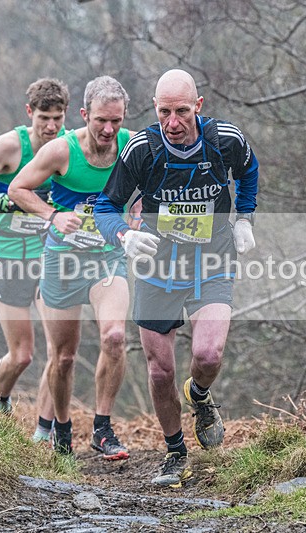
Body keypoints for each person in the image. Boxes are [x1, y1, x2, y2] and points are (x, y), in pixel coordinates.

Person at [94, 68, 259, 486]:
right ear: (154, 108)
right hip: (156, 266)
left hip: (211, 260)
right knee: (160, 370)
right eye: (164, 112)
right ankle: (174, 452)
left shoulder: (225, 139)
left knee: (208, 356)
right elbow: (105, 206)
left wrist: (245, 218)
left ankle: (200, 395)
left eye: (182, 111)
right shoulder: (141, 149)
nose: (173, 123)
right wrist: (124, 238)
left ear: (198, 107)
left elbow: (249, 169)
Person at [8, 75, 133, 460]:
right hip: (62, 261)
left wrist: (139, 215)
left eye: (116, 120)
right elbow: (18, 188)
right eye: (100, 121)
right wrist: (52, 216)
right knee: (62, 358)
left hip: (107, 259)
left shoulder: (131, 147)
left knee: (114, 337)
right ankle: (62, 431)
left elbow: (148, 188)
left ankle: (102, 429)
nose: (109, 129)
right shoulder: (63, 150)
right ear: (84, 115)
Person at [0, 78, 70, 443]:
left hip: (48, 256)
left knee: (59, 351)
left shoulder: (67, 149)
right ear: (29, 114)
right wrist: (4, 201)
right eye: (44, 118)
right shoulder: (9, 146)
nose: (51, 127)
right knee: (22, 356)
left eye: (57, 118)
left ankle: (43, 430)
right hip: (7, 257)